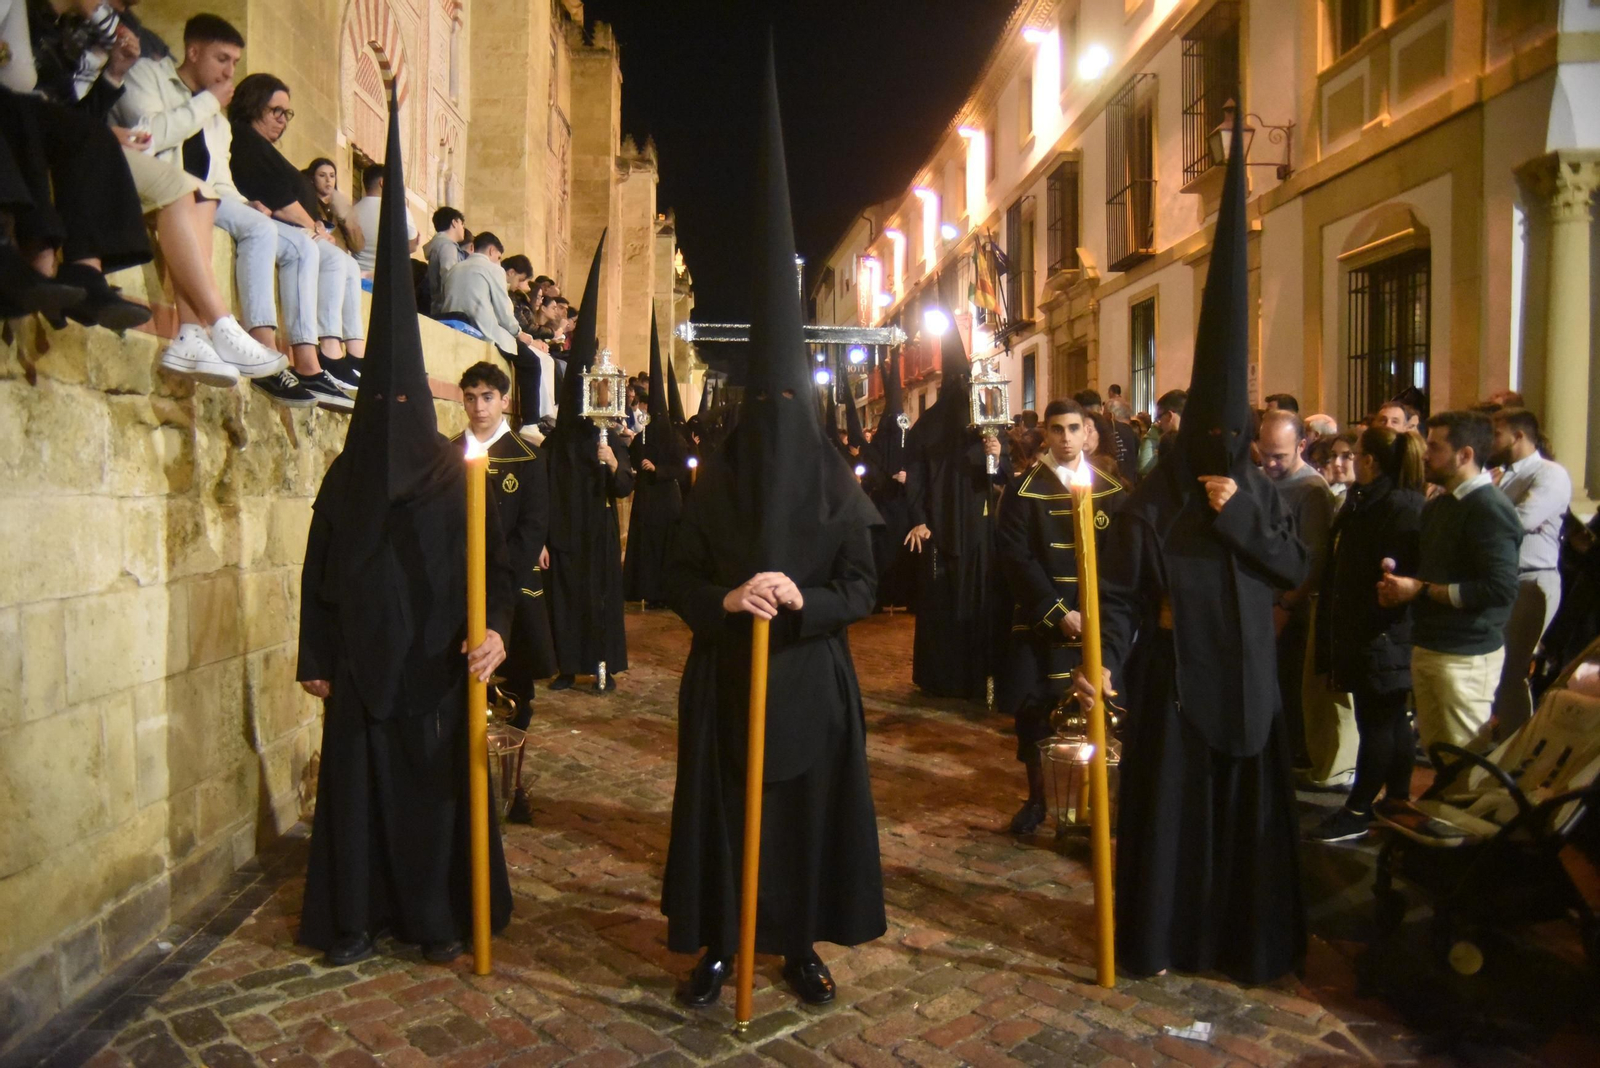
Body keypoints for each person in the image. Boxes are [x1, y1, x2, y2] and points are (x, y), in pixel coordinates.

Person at [661, 50, 884, 1008]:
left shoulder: (835, 485)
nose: (780, 422)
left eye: (793, 405)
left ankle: (796, 945)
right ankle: (723, 942)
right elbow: (675, 576)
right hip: (726, 678)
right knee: (725, 813)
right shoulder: (718, 485)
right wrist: (726, 596)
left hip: (811, 678)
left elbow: (864, 588)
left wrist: (803, 597)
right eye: (769, 405)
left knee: (806, 816)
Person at [1074, 112, 1309, 983]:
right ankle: (1169, 935)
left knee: (1244, 820)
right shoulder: (1153, 503)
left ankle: (1244, 941)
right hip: (1175, 683)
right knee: (1174, 815)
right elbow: (1121, 596)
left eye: (1233, 440)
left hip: (1250, 681)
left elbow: (1294, 568)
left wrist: (1241, 514)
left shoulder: (1264, 494)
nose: (1222, 451)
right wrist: (1104, 659)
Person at [296, 91, 512, 965]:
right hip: (358, 669)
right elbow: (316, 572)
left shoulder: (452, 478)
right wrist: (314, 656)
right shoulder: (346, 477)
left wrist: (495, 630)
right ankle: (354, 918)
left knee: (431, 798)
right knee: (354, 799)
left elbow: (493, 568)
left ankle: (433, 917)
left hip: (432, 669)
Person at [111, 15, 353, 405]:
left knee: (285, 237)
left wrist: (247, 205)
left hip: (207, 196)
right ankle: (251, 341)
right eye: (222, 59)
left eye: (235, 63)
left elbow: (220, 181)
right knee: (244, 221)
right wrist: (208, 102)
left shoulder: (218, 123)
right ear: (193, 52)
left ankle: (303, 360)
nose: (229, 72)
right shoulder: (150, 77)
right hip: (154, 183)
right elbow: (150, 137)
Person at [996, 398, 1124, 833]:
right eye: (1057, 429)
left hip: (1097, 618)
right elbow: (1016, 558)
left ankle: (1095, 804)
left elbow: (1121, 559)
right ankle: (1037, 799)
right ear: (1046, 434)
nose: (1066, 439)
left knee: (1098, 709)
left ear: (1087, 431)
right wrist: (1056, 611)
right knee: (1035, 713)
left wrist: (1102, 614)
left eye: (1074, 428)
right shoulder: (1022, 490)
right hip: (1042, 617)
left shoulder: (1111, 488)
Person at [1377, 411, 1521, 754]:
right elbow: (1432, 571)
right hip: (1431, 644)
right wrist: (1401, 589)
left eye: (1435, 447)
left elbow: (1500, 588)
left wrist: (1423, 590)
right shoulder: (1440, 504)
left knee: (1463, 758)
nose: (1424, 455)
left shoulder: (1488, 507)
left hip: (1465, 654)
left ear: (1465, 454)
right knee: (1439, 753)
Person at [1309, 426, 1426, 841]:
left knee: (1379, 722)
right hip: (1366, 630)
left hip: (1382, 632)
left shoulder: (1397, 506)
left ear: (1370, 461)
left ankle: (1359, 809)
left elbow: (1398, 569)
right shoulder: (1367, 501)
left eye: (1354, 454)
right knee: (1389, 720)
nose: (1349, 461)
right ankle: (1395, 799)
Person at [452, 360, 556, 823]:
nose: (479, 407)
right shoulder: (446, 455)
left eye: (488, 397)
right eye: (471, 397)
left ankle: (509, 783)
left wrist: (496, 585)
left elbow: (532, 528)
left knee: (514, 694)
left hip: (512, 594)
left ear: (505, 401)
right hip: (458, 594)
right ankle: (464, 786)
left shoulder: (529, 458)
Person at [228, 72, 366, 405]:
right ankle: (308, 361)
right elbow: (276, 195)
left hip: (281, 223)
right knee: (306, 249)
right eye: (275, 111)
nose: (283, 120)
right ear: (253, 105)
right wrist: (314, 228)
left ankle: (340, 354)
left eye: (287, 113)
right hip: (269, 222)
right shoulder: (245, 140)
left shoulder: (263, 146)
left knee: (344, 263)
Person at [543, 234, 632, 693]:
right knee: (563, 599)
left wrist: (613, 462)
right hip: (563, 533)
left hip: (597, 532)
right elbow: (542, 491)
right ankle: (565, 666)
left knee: (599, 600)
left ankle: (602, 666)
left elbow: (624, 486)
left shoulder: (608, 437)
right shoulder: (556, 442)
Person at [903, 323, 1009, 699]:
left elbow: (1003, 474)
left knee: (977, 598)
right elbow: (915, 478)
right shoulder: (926, 427)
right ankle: (940, 675)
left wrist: (997, 455)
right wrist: (919, 519)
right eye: (957, 381)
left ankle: (976, 673)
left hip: (977, 525)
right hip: (939, 528)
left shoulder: (986, 426)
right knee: (941, 602)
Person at [1258, 409, 1337, 770]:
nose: (1271, 463)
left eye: (1280, 456)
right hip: (1264, 602)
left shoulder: (1311, 490)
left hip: (1290, 609)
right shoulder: (1261, 479)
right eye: (1265, 454)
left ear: (1301, 446)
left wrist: (1287, 606)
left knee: (1287, 689)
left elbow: (1314, 559)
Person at [1488, 407, 1571, 736]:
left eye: (1497, 434)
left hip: (1531, 578)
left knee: (1512, 668)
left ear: (1518, 436)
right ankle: (1501, 739)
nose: (1490, 441)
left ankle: (1517, 745)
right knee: (1495, 667)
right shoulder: (1499, 475)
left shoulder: (1549, 473)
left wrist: (1485, 509)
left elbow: (1521, 520)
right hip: (1502, 579)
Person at [438, 230, 555, 429]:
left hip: (456, 325)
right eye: (499, 257)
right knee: (532, 362)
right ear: (492, 251)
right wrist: (519, 333)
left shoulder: (455, 268)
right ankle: (531, 424)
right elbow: (504, 312)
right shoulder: (493, 270)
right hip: (484, 330)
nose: (499, 262)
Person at [623, 315, 686, 608]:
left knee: (664, 547)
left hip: (665, 498)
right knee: (644, 546)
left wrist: (658, 469)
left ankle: (664, 593)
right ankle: (643, 589)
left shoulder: (673, 437)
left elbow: (681, 466)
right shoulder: (644, 434)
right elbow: (634, 456)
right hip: (646, 497)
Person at [351, 161, 416, 274]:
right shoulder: (398, 210)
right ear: (382, 182)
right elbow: (410, 247)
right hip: (386, 277)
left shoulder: (352, 212)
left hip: (358, 277)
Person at [303, 156, 363, 254]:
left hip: (341, 258)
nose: (328, 180)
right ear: (312, 178)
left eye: (332, 176)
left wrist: (346, 217)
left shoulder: (341, 205)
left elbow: (357, 246)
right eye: (322, 175)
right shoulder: (307, 202)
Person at [421, 205, 466, 316]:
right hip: (448, 310)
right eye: (462, 224)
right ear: (454, 222)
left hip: (440, 307)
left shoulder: (440, 244)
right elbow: (450, 277)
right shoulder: (447, 246)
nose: (463, 228)